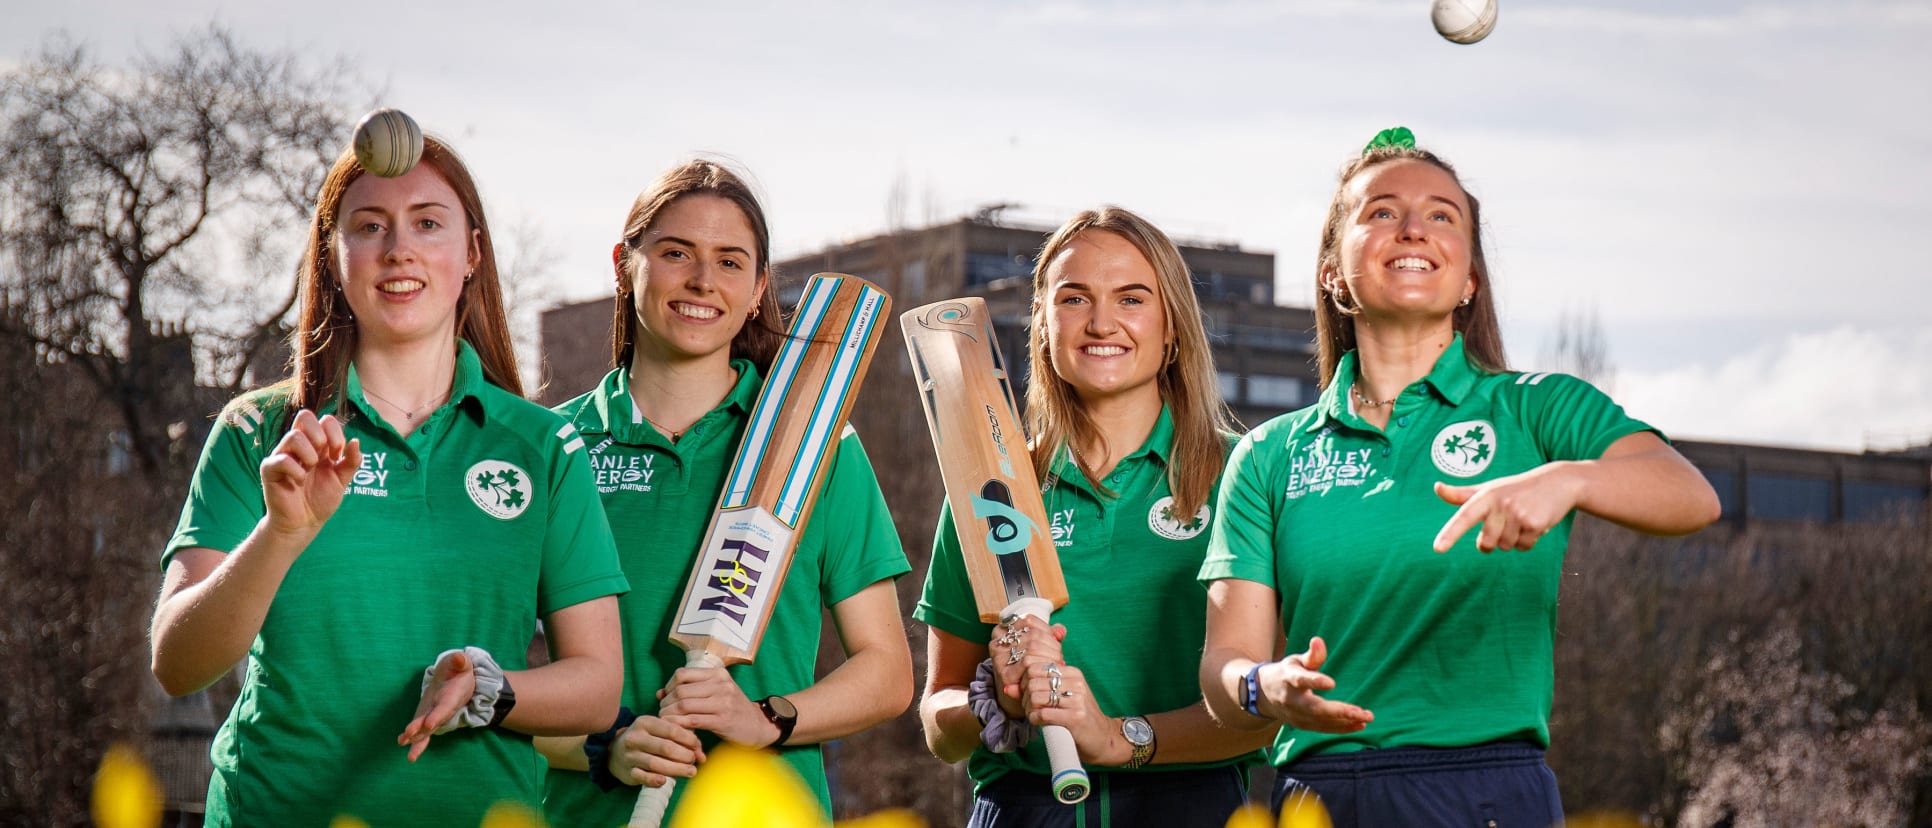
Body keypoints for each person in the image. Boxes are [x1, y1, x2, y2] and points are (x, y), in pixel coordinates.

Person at [1198, 127, 1723, 826]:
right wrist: (1265, 687)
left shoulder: (1539, 409)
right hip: (1315, 798)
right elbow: (1224, 664)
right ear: (1330, 269)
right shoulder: (1269, 455)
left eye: (1442, 215)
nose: (1413, 228)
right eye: (1381, 211)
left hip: (1486, 792)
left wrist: (1570, 480)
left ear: (1470, 276)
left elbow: (1691, 496)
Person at [149, 136, 629, 827]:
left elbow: (597, 687)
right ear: (334, 256)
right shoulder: (257, 431)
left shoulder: (543, 447)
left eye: (428, 223)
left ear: (472, 254)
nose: (399, 248)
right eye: (370, 226)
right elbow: (177, 663)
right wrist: (281, 535)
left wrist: (489, 690)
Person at [538, 160, 914, 824]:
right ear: (626, 263)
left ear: (758, 288)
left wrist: (767, 718)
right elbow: (493, 687)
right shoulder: (551, 447)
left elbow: (886, 673)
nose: (703, 281)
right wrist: (604, 746)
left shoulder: (819, 448)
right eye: (677, 252)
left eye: (730, 262)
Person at [917, 207, 1275, 827]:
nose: (1101, 322)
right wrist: (995, 706)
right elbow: (937, 720)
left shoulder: (1243, 474)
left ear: (1173, 330)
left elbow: (1263, 712)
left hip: (1191, 808)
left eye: (1131, 299)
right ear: (1043, 325)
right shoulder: (988, 488)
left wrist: (1117, 736)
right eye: (1074, 298)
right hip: (1023, 810)